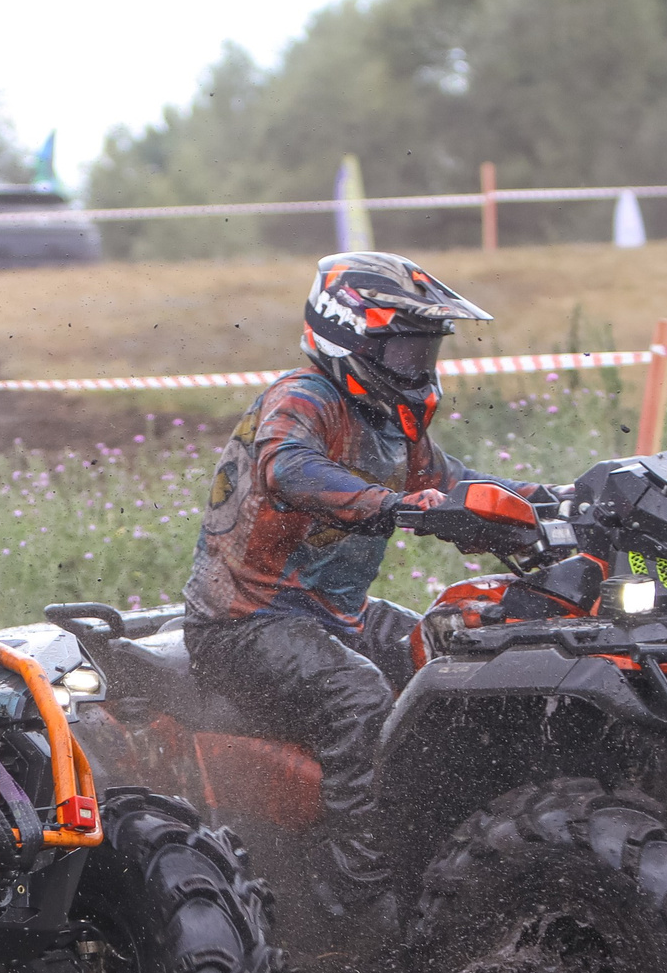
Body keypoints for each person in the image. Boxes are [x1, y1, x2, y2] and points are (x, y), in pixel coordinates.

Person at [183, 251, 551, 925]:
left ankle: (444, 839)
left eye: (425, 350)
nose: (418, 365)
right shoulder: (305, 397)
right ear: (348, 335)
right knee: (358, 696)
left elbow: (457, 484)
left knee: (452, 656)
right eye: (405, 348)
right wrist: (391, 505)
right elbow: (288, 467)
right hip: (242, 623)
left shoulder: (390, 422)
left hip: (334, 615)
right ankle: (356, 885)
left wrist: (552, 501)